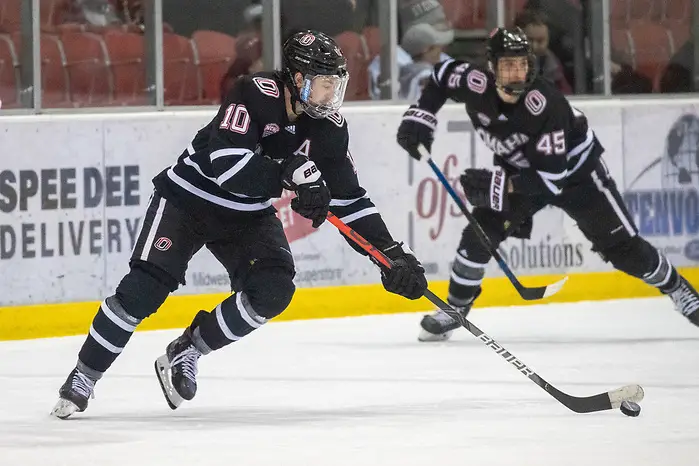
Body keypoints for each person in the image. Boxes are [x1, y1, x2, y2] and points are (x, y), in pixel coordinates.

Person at [52, 30, 428, 419]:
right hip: (189, 199)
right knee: (143, 291)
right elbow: (227, 165)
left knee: (273, 288)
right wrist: (291, 174)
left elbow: (349, 200)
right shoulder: (254, 93)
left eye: (335, 86)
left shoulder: (329, 127)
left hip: (245, 214)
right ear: (298, 79)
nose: (330, 96)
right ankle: (84, 376)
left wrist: (391, 256)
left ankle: (188, 350)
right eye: (323, 86)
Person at [396, 27, 699, 342]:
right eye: (508, 64)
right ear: (492, 66)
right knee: (479, 233)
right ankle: (455, 309)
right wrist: (422, 115)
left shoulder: (545, 105)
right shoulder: (475, 82)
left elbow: (551, 181)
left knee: (624, 250)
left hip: (576, 176)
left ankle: (677, 287)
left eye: (522, 63)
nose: (517, 72)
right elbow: (443, 74)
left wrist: (497, 186)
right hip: (520, 170)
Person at [513, 9, 571, 94]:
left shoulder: (553, 65)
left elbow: (565, 94)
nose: (534, 46)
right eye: (529, 40)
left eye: (540, 41)